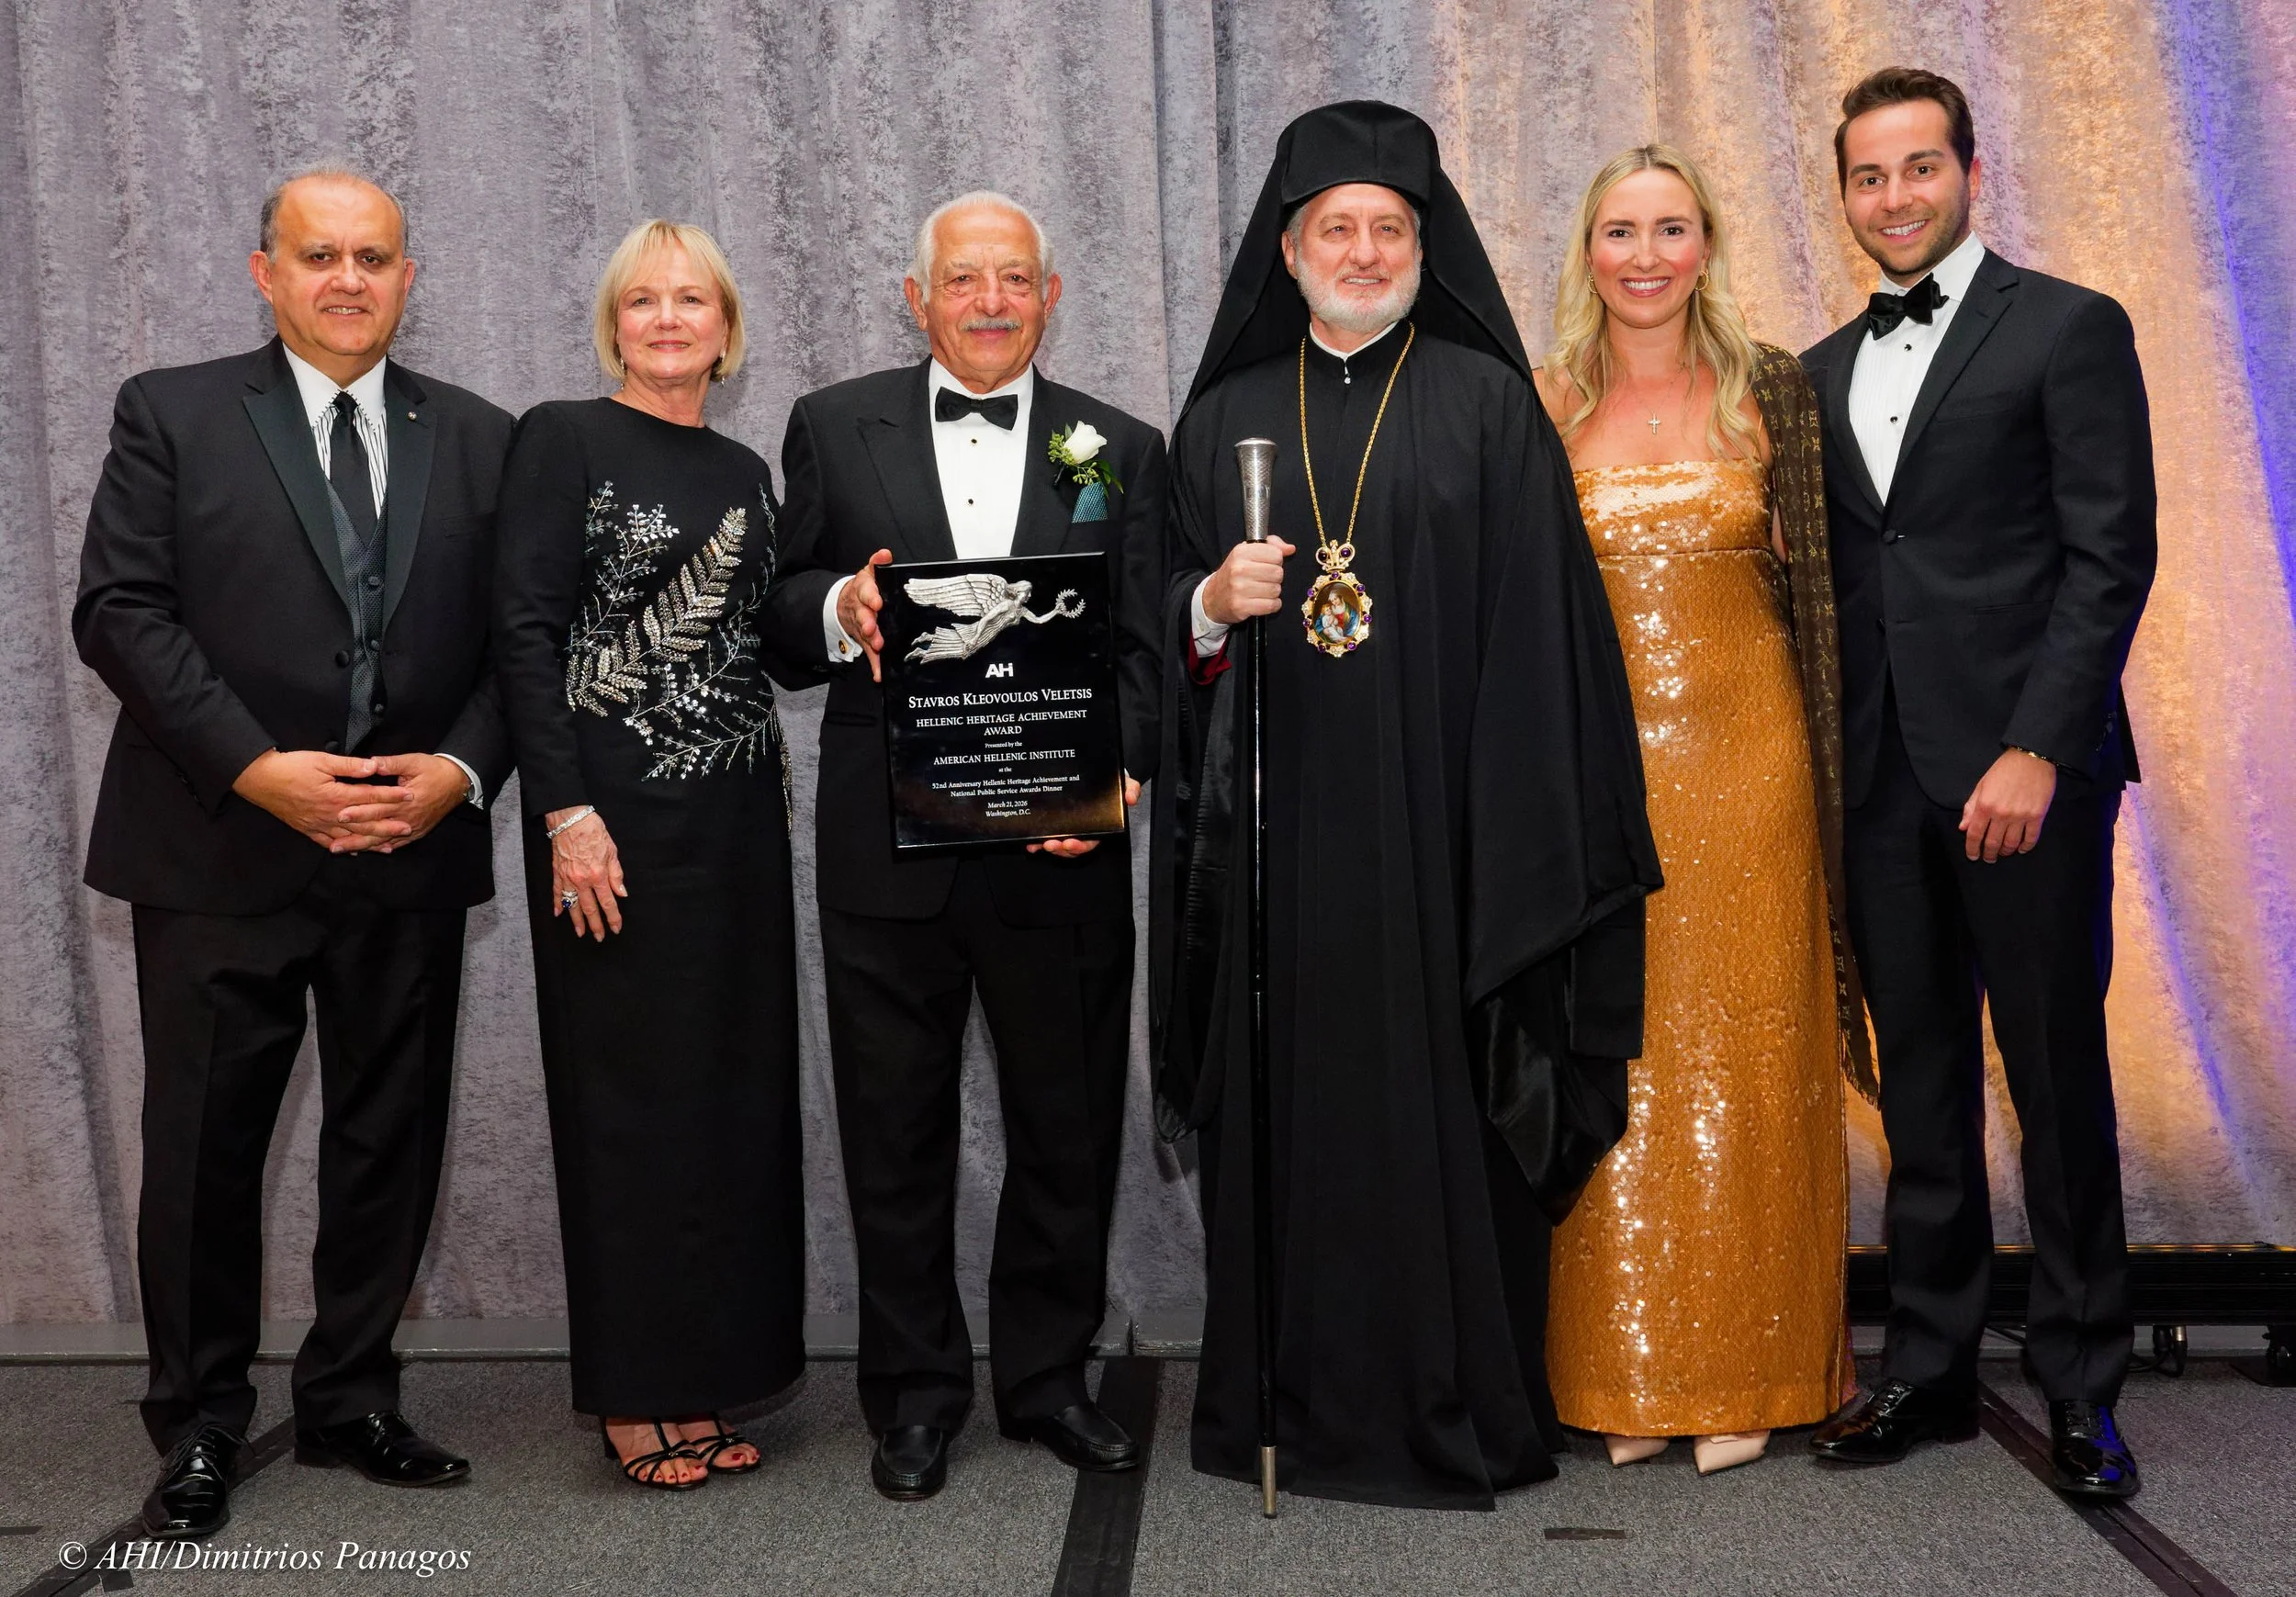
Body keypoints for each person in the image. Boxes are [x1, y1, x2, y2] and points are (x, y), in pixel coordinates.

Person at [1150, 102, 1662, 1511]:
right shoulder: (1219, 423)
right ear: (1291, 247)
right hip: (1281, 862)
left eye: (1389, 229)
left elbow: (1551, 639)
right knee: (1292, 1121)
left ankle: (1465, 1406)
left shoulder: (1490, 405)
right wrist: (1206, 604)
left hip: (1455, 853)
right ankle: (1287, 1407)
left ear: (1421, 249)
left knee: (1450, 1110)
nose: (1363, 250)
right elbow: (1154, 634)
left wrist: (1510, 834)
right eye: (1337, 229)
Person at [73, 168, 512, 1541]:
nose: (347, 279)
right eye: (318, 255)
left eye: (373, 257)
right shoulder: (174, 411)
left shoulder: (487, 438)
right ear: (264, 272)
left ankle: (352, 1395)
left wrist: (453, 776)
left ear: (409, 274)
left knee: (390, 1137)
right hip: (217, 844)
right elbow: (121, 613)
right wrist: (261, 772)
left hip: (407, 848)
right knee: (203, 1150)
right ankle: (199, 1419)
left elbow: (523, 642)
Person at [760, 192, 1169, 1501]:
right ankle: (916, 1396)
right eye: (962, 279)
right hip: (891, 859)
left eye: (1014, 280)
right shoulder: (833, 424)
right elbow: (774, 617)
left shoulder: (1118, 443)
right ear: (914, 295)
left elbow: (1150, 642)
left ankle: (1049, 1380)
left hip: (1062, 854)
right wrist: (837, 605)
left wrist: (1124, 767)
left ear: (1050, 296)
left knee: (1067, 1125)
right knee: (895, 1136)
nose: (988, 301)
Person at [1801, 68, 2155, 1498]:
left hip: (2027, 775)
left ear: (1970, 170)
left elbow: (2108, 555)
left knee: (2058, 1080)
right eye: (1869, 177)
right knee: (1924, 1088)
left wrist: (2036, 746)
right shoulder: (1817, 371)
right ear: (1844, 196)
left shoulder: (2069, 326)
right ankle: (1931, 1367)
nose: (1895, 197)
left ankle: (2082, 1385)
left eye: (1918, 168)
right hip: (1883, 779)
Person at [1533, 145, 1871, 1477]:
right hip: (1607, 778)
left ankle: (1756, 1361)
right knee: (1624, 1054)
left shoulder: (1772, 388)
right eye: (1622, 230)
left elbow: (1829, 588)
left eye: (1672, 228)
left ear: (1708, 244)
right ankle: (1624, 1364)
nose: (1647, 255)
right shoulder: (1548, 401)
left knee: (1755, 1053)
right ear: (1588, 249)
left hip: (1756, 764)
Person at [492, 221, 808, 1490]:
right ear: (614, 323)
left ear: (727, 331)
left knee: (729, 1106)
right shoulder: (559, 438)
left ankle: (714, 1374)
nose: (668, 319)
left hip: (733, 836)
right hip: (606, 836)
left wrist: (858, 608)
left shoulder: (742, 469)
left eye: (692, 300)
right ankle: (637, 1394)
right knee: (631, 1112)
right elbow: (522, 631)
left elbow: (769, 648)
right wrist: (565, 815)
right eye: (643, 301)